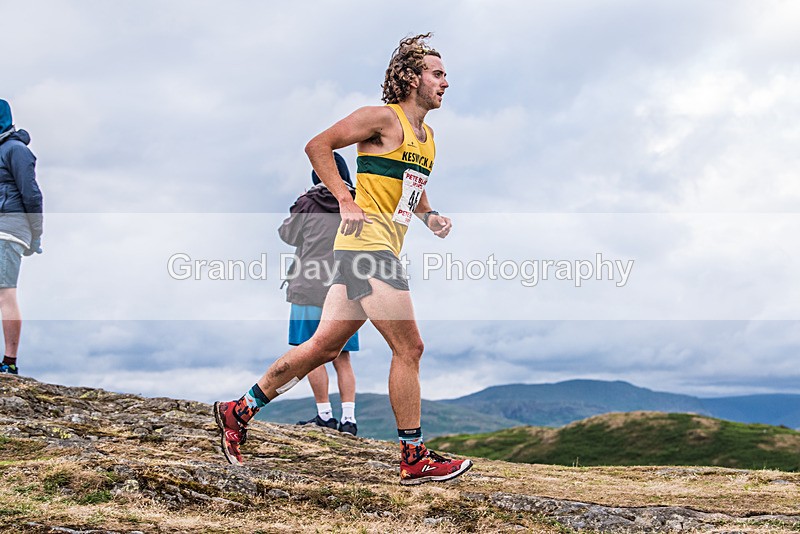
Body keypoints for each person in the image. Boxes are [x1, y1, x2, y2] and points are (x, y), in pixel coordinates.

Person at [214, 33, 472, 485]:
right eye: (437, 73)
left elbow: (411, 183)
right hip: (367, 249)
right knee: (409, 348)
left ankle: (239, 410)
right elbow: (318, 145)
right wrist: (344, 199)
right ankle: (414, 457)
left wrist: (429, 216)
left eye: (445, 74)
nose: (445, 82)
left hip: (373, 249)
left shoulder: (427, 136)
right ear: (412, 78)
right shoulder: (379, 117)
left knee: (323, 347)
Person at [279, 152, 359, 436]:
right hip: (345, 289)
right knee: (343, 356)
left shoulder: (307, 202)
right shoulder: (356, 203)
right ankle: (349, 420)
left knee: (312, 352)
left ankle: (325, 415)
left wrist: (298, 205)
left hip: (308, 288)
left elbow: (287, 235)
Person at [0, 99, 44, 376]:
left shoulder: (15, 150)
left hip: (8, 228)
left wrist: (35, 233)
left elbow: (32, 194)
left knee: (5, 291)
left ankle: (9, 362)